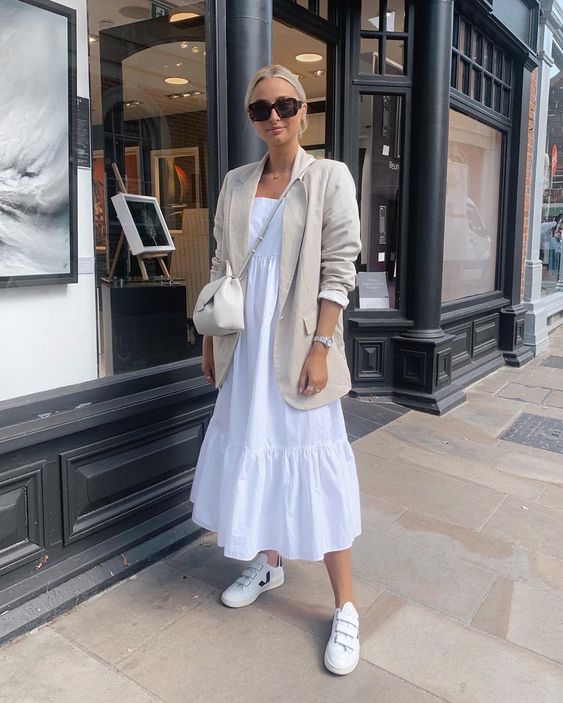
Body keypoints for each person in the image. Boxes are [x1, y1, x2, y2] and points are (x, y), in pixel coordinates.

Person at [189, 64, 362, 676]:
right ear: (251, 119)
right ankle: (268, 561)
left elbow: (340, 265)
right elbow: (220, 261)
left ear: (304, 111)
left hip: (296, 347)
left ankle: (345, 606)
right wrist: (210, 340)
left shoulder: (329, 179)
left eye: (285, 105)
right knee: (256, 449)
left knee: (314, 460)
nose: (274, 118)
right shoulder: (236, 183)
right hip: (244, 347)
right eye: (260, 109)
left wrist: (322, 343)